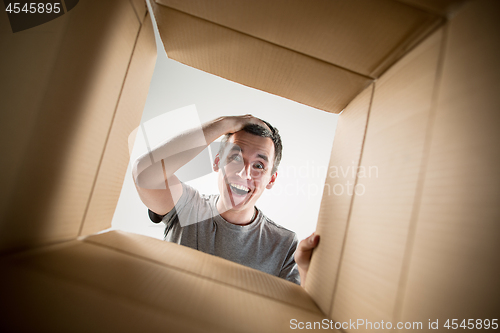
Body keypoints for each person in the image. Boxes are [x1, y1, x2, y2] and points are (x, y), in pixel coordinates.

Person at [132, 115, 319, 286]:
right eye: (235, 157)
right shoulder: (187, 207)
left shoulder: (284, 245)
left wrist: (303, 271)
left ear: (271, 179)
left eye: (258, 165)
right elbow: (144, 172)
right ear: (217, 162)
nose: (243, 173)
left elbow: (292, 315)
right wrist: (225, 123)